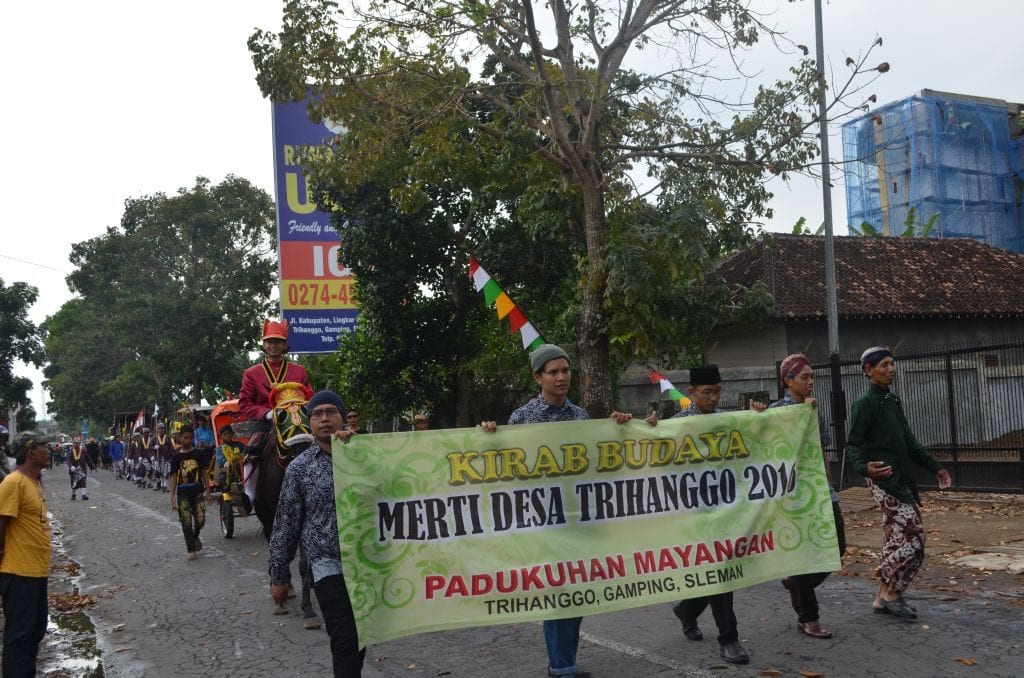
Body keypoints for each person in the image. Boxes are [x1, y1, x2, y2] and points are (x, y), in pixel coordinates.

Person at [480, 344, 633, 678]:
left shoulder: (580, 417)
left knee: (576, 594)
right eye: (553, 372)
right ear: (538, 377)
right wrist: (490, 436)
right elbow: (505, 467)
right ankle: (562, 668)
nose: (561, 377)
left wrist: (620, 426)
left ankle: (565, 663)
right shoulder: (521, 419)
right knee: (558, 593)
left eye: (565, 370)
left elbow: (597, 463)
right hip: (542, 522)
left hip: (578, 520)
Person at [645, 364, 749, 665]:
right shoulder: (677, 424)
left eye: (718, 391)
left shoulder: (728, 421)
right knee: (720, 573)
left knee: (718, 571)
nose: (714, 398)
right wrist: (650, 430)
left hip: (725, 510)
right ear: (691, 393)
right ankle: (729, 639)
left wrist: (760, 415)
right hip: (694, 514)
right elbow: (658, 461)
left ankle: (687, 611)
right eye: (707, 392)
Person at [847, 346, 952, 619]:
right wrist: (864, 468)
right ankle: (892, 593)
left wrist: (935, 468)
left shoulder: (892, 401)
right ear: (868, 371)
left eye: (892, 364)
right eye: (884, 365)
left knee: (897, 537)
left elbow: (909, 441)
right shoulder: (864, 405)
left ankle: (885, 596)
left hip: (901, 480)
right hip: (882, 480)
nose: (891, 369)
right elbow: (854, 446)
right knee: (913, 536)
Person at [268, 390, 364, 677]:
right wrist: (279, 576)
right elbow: (286, 523)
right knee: (345, 636)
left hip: (370, 562)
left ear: (343, 418)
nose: (324, 419)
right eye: (317, 414)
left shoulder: (368, 455)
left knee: (361, 634)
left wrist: (486, 439)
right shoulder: (299, 470)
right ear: (309, 423)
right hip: (327, 563)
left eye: (331, 412)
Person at [768, 353, 845, 639]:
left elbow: (822, 450)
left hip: (820, 492)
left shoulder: (815, 412)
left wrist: (828, 484)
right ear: (788, 381)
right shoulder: (777, 412)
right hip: (793, 495)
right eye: (805, 377)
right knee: (802, 555)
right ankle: (808, 618)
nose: (811, 382)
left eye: (812, 377)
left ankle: (798, 584)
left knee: (838, 546)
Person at [0, 431, 53, 678]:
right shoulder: (14, 483)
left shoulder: (34, 483)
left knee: (35, 632)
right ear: (31, 452)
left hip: (36, 571)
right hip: (18, 572)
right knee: (19, 637)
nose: (49, 450)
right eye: (44, 446)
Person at [239, 319, 312, 423]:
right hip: (264, 422)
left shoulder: (299, 371)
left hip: (296, 420)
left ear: (285, 345)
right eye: (269, 342)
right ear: (264, 345)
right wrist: (266, 413)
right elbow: (244, 403)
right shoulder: (251, 373)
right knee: (257, 439)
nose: (273, 345)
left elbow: (309, 396)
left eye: (278, 342)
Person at [169, 426, 212, 561]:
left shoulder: (198, 454)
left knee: (201, 519)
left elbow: (204, 472)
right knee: (186, 521)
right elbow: (174, 476)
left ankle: (195, 536)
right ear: (180, 438)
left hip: (198, 492)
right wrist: (172, 495)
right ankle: (191, 550)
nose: (188, 440)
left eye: (190, 438)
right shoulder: (176, 457)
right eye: (185, 438)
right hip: (182, 493)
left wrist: (208, 490)